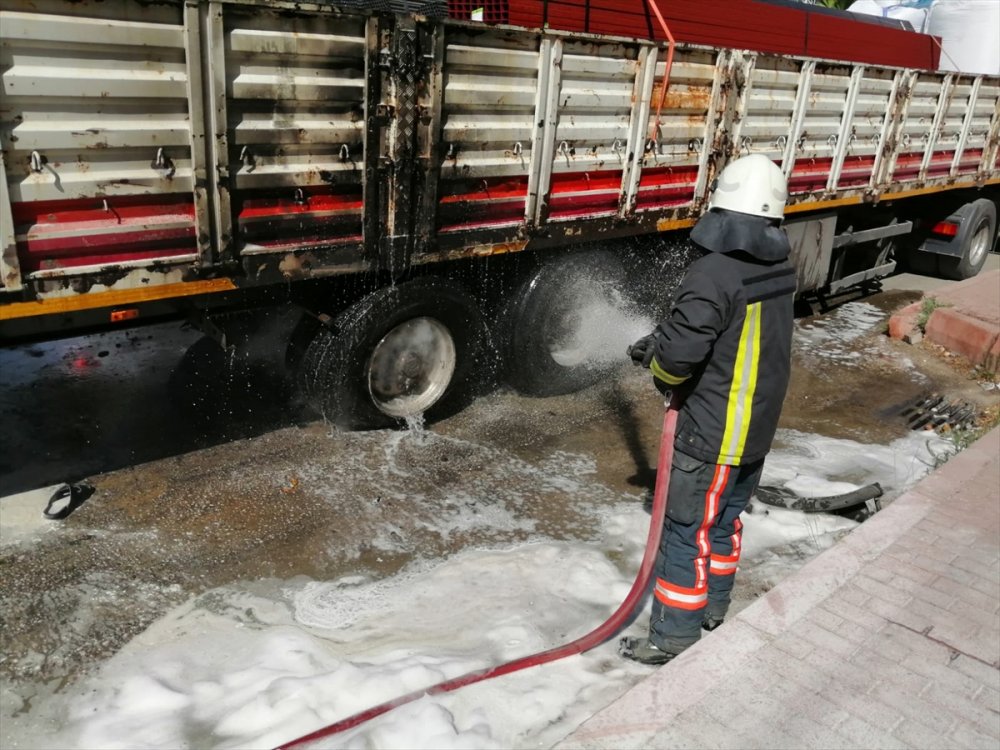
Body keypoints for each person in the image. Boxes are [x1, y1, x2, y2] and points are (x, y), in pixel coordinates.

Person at [620, 153, 797, 665]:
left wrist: (660, 363)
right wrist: (666, 339)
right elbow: (731, 331)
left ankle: (672, 638)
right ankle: (713, 611)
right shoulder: (779, 269)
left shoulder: (712, 271)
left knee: (686, 532)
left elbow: (678, 362)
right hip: (756, 433)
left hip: (713, 435)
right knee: (724, 526)